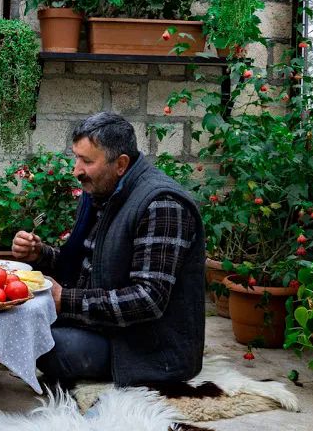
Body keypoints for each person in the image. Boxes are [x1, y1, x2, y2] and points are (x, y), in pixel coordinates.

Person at [13, 112, 206, 387]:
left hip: (145, 347)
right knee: (19, 322)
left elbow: (147, 299)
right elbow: (92, 264)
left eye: (87, 161)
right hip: (103, 326)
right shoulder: (103, 189)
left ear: (121, 164)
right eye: (77, 158)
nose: (76, 170)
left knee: (45, 346)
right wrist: (41, 254)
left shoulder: (162, 204)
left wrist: (65, 300)